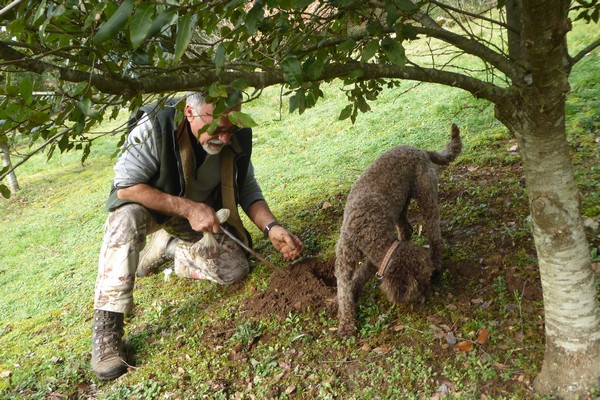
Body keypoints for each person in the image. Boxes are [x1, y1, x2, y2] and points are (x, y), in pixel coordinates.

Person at [91, 92, 304, 381]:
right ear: (190, 113)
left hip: (198, 218)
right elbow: (126, 188)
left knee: (233, 269)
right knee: (123, 220)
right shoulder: (155, 125)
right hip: (150, 207)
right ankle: (107, 330)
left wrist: (272, 227)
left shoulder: (235, 133)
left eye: (230, 129)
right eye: (217, 128)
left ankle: (168, 247)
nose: (225, 138)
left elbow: (247, 189)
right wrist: (188, 208)